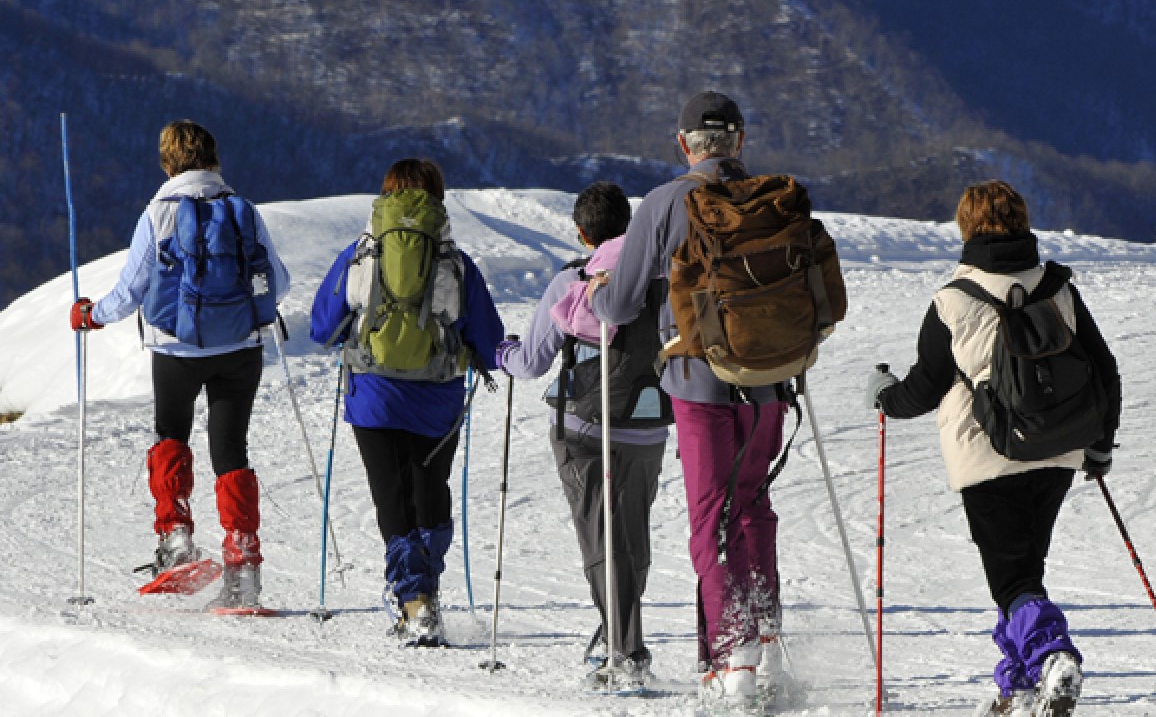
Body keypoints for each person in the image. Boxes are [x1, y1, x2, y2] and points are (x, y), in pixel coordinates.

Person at [864, 180, 1121, 716]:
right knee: (1023, 571)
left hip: (988, 456)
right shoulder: (1058, 289)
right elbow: (1104, 370)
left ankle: (1052, 656)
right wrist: (1099, 447)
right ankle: (1017, 684)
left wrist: (885, 399)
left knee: (1012, 577)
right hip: (1058, 450)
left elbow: (924, 387)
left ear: (967, 227)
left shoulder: (953, 300)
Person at [589, 92, 794, 705]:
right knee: (753, 504)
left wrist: (598, 296)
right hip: (768, 378)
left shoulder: (663, 203)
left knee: (710, 517)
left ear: (684, 145)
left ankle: (733, 653)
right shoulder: (772, 198)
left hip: (699, 380)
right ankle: (764, 634)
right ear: (740, 141)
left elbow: (622, 303)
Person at [68, 119, 291, 610]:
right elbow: (279, 280)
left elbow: (130, 291)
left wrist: (91, 316)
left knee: (171, 436)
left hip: (177, 349)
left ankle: (176, 542)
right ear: (214, 157)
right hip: (239, 348)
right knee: (232, 450)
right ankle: (244, 569)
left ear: (167, 162)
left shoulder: (159, 213)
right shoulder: (244, 211)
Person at [309, 158, 504, 647]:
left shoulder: (360, 254)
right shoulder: (456, 264)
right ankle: (426, 594)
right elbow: (489, 341)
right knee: (428, 489)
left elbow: (320, 328)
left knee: (390, 496)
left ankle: (415, 604)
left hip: (372, 395)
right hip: (438, 396)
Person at [496, 181, 670, 690]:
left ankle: (624, 651)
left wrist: (501, 353)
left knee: (600, 537)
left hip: (584, 427)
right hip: (648, 423)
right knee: (631, 537)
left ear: (581, 232)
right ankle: (619, 637)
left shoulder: (573, 280)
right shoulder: (662, 279)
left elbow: (530, 362)